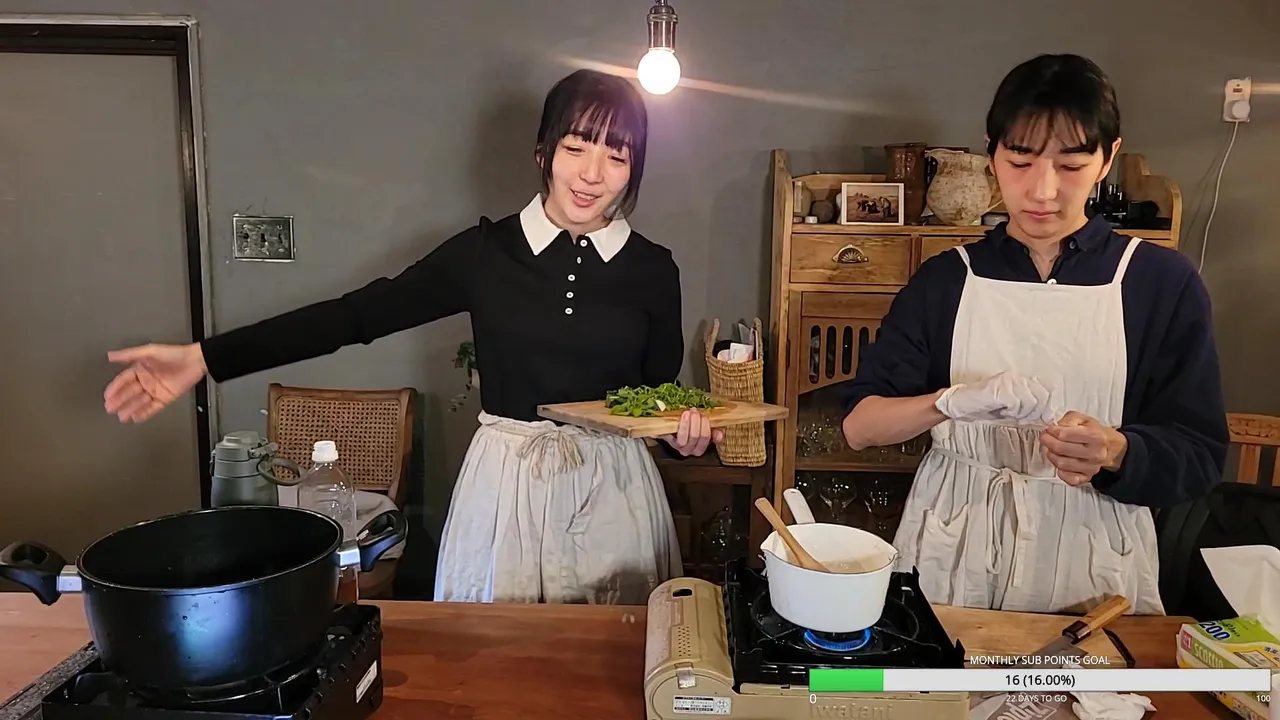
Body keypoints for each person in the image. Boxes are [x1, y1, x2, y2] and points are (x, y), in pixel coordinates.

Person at [102, 69, 722, 605]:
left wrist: (683, 437)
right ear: (543, 152)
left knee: (620, 666)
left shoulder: (653, 269)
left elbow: (655, 397)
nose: (592, 174)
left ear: (634, 167)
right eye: (576, 147)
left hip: (615, 493)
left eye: (616, 156)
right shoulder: (485, 253)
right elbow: (356, 315)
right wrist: (206, 358)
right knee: (495, 665)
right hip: (505, 489)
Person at [839, 54, 1228, 616]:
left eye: (1071, 165)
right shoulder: (947, 279)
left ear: (1107, 158)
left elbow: (1199, 454)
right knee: (943, 673)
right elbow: (859, 427)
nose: (1043, 191)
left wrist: (1118, 451)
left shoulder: (1159, 283)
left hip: (1093, 551)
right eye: (1020, 161)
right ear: (991, 153)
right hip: (955, 540)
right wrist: (947, 402)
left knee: (1081, 675)